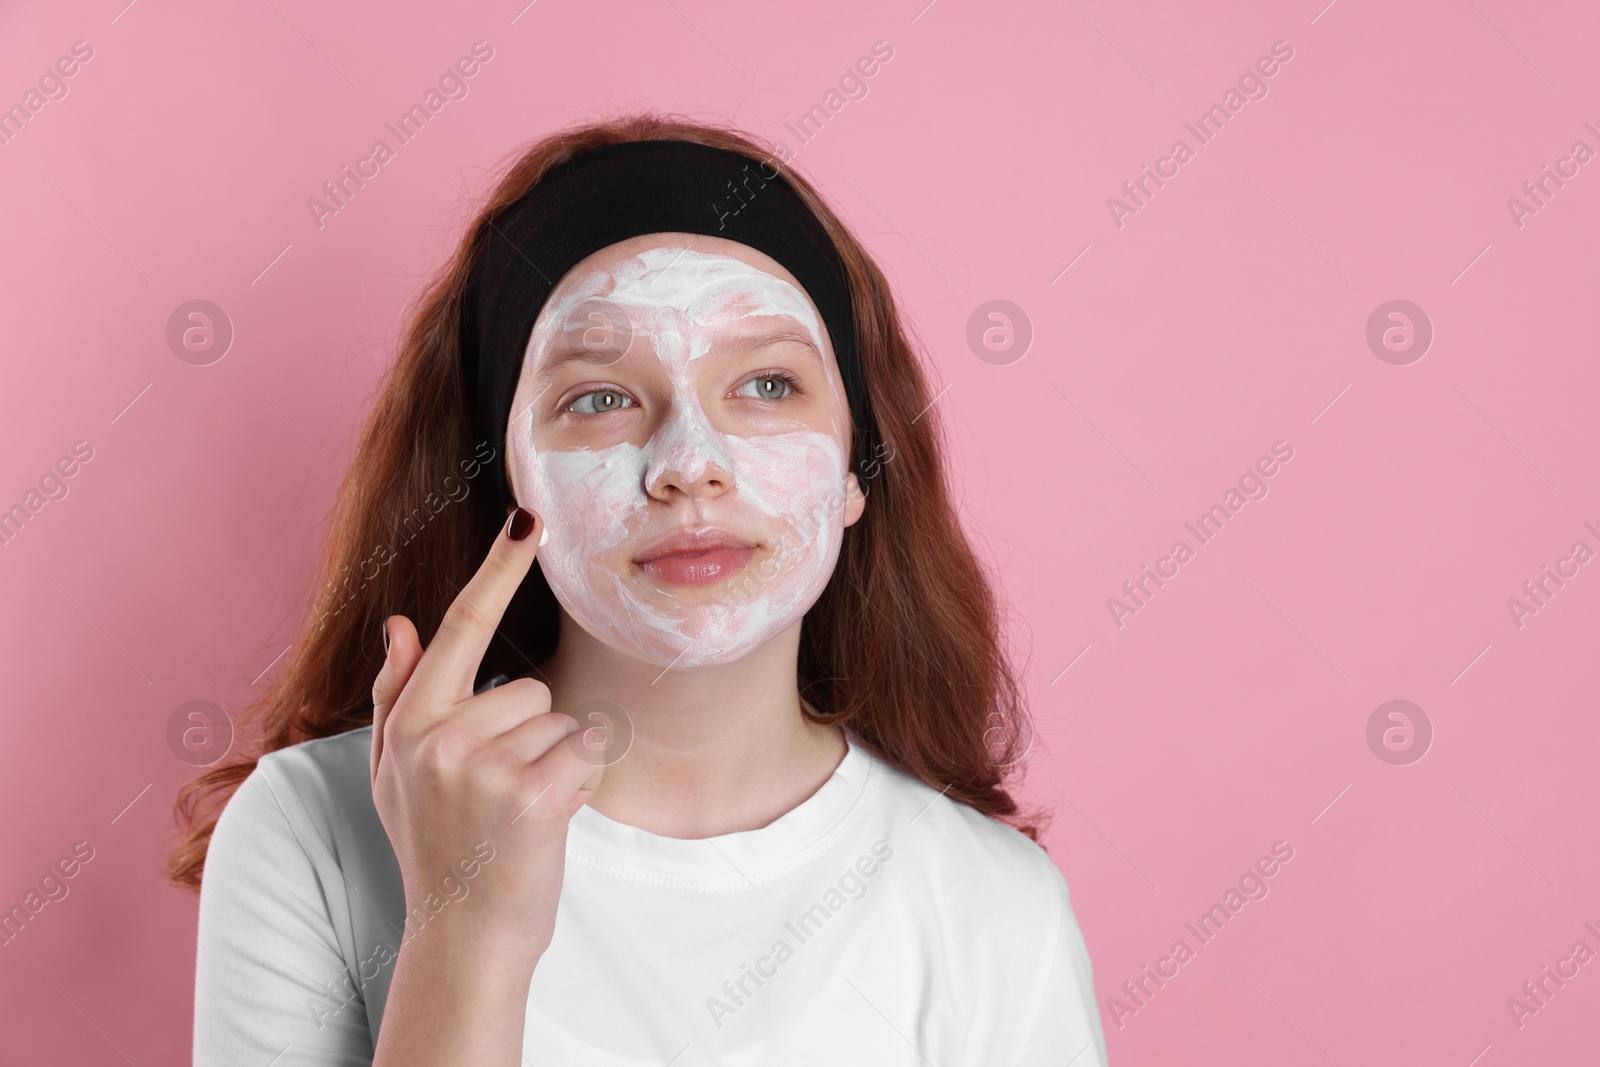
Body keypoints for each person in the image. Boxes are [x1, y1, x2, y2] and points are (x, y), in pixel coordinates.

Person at [173, 113, 1108, 1066]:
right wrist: (464, 933)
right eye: (600, 398)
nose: (690, 465)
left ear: (856, 471)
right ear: (511, 477)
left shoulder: (995, 907)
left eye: (769, 385)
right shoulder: (316, 827)